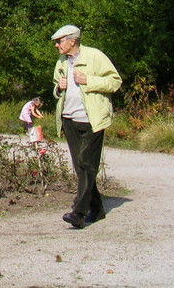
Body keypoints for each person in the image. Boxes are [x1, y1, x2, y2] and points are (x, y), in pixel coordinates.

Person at [51, 23, 122, 229]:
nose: (57, 46)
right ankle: (97, 209)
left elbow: (115, 82)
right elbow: (56, 89)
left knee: (87, 164)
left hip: (92, 119)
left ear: (72, 40)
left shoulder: (95, 56)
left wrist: (88, 80)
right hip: (69, 119)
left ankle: (79, 213)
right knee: (80, 166)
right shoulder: (61, 62)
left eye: (59, 42)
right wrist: (58, 87)